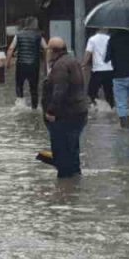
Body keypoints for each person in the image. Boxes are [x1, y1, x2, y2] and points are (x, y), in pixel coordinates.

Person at [42, 37, 88, 179]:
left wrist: (50, 111)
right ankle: (74, 183)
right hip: (78, 113)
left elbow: (59, 91)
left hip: (65, 116)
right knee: (72, 150)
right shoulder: (72, 61)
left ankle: (65, 188)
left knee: (62, 153)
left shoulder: (60, 66)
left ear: (53, 51)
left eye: (48, 50)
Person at [6, 17, 46, 109]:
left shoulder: (18, 34)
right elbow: (46, 48)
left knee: (19, 86)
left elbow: (11, 48)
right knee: (34, 89)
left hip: (21, 65)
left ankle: (20, 106)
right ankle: (34, 109)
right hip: (34, 66)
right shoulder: (38, 35)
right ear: (34, 25)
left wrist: (7, 63)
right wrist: (47, 64)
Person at [84, 28, 115, 108]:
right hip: (109, 69)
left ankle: (93, 107)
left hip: (97, 70)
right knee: (109, 93)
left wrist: (83, 64)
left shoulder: (92, 39)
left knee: (91, 92)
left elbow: (88, 53)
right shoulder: (110, 39)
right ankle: (111, 108)